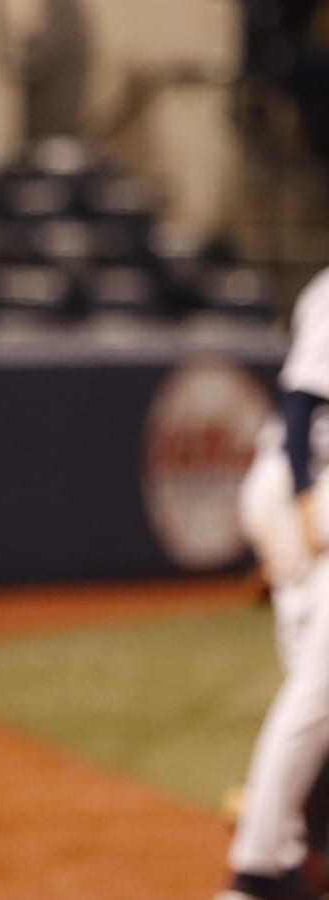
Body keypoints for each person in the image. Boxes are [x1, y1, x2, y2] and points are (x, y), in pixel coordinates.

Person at [226, 265, 329, 900]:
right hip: (308, 487)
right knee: (319, 690)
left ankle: (291, 848)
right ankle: (259, 867)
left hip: (304, 496)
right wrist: (302, 509)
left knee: (315, 688)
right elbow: (300, 405)